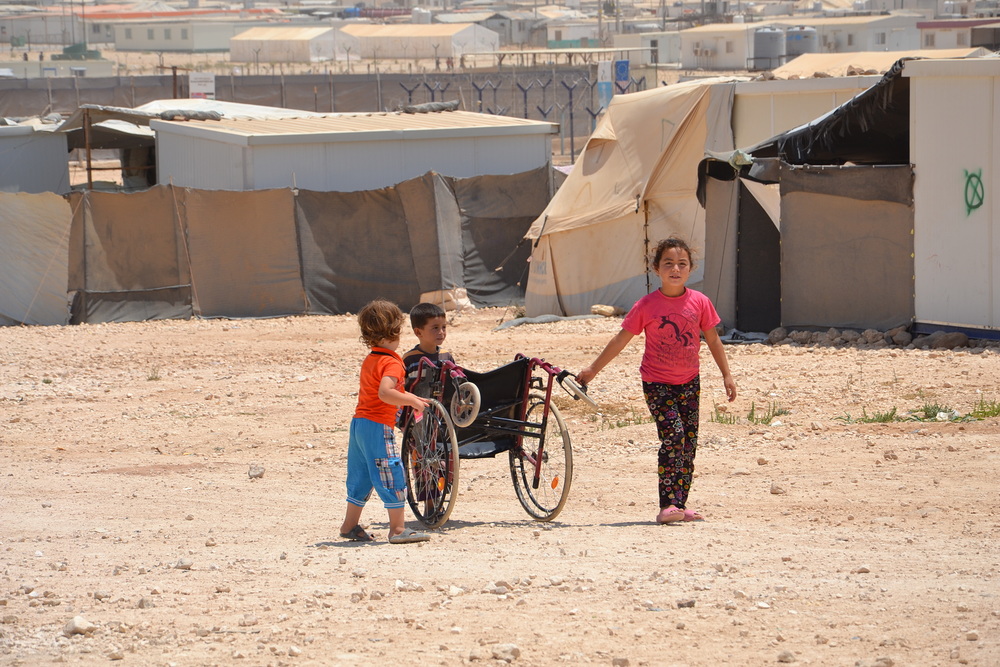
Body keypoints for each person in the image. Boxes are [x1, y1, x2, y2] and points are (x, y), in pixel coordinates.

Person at [577, 237, 737, 524]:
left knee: (689, 443)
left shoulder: (700, 303)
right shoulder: (647, 305)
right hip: (657, 383)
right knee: (673, 436)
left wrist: (727, 374)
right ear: (656, 268)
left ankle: (680, 504)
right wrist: (593, 370)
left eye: (682, 264)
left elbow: (712, 338)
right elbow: (620, 340)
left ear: (691, 269)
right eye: (668, 263)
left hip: (689, 381)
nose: (675, 269)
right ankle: (666, 506)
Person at [340, 299, 432, 544]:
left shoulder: (372, 358)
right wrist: (411, 402)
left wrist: (410, 396)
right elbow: (385, 392)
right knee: (391, 471)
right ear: (396, 329)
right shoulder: (392, 361)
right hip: (378, 426)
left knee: (361, 475)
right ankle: (398, 529)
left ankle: (350, 525)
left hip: (359, 424)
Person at [402, 302, 455, 375]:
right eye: (435, 328)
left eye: (443, 327)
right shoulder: (410, 359)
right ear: (418, 332)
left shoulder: (446, 356)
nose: (441, 332)